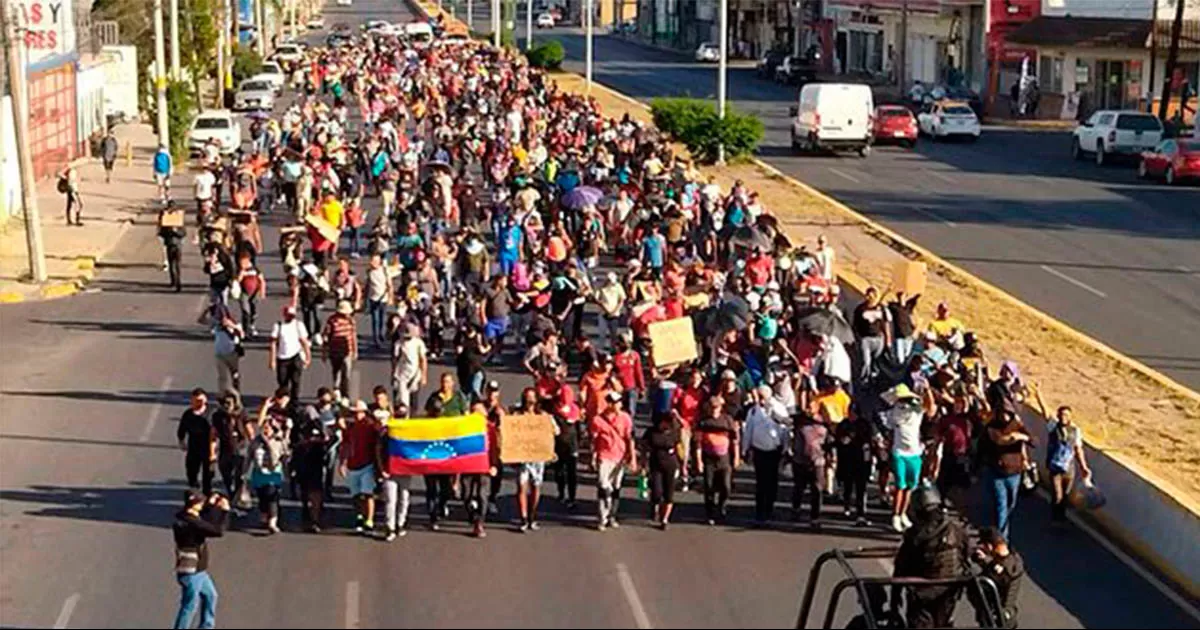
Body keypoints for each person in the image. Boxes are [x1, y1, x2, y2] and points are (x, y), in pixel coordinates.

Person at [892, 486, 969, 629]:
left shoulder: (916, 535)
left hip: (923, 592)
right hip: (950, 589)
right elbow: (965, 557)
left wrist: (895, 598)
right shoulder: (957, 529)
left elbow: (901, 566)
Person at [1034, 384, 1091, 525]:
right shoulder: (1053, 427)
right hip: (1054, 467)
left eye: (1066, 415)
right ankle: (1056, 517)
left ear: (1070, 417)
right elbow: (1045, 412)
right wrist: (1038, 394)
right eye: (1061, 414)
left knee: (1065, 495)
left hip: (1068, 469)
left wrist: (1084, 467)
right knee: (1057, 494)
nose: (1062, 417)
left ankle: (1061, 515)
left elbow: (1078, 449)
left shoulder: (1075, 431)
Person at [172, 491, 229, 629]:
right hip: (192, 571)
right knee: (189, 605)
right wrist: (224, 512)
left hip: (199, 571)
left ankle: (206, 626)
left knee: (211, 596)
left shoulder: (184, 518)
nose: (202, 504)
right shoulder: (192, 523)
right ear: (193, 505)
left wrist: (211, 505)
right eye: (200, 502)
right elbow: (217, 530)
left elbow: (203, 519)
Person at [982, 401, 1033, 540]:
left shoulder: (1018, 427)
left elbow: (1033, 441)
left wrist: (1021, 436)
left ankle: (999, 526)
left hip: (1014, 473)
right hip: (997, 472)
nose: (1004, 416)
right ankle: (1002, 539)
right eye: (1002, 413)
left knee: (1011, 503)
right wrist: (1012, 437)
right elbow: (998, 440)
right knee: (1001, 506)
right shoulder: (992, 426)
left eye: (1007, 413)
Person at [591, 391, 637, 531]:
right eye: (615, 402)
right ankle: (602, 517)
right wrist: (593, 456)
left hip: (620, 456)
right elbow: (594, 440)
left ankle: (612, 516)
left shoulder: (625, 418)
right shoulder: (597, 420)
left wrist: (632, 457)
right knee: (603, 485)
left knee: (616, 487)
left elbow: (629, 438)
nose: (618, 405)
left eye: (619, 402)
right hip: (604, 456)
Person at [883, 383, 925, 533]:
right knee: (900, 486)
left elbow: (929, 407)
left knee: (910, 487)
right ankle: (895, 515)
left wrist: (924, 392)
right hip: (899, 453)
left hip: (914, 453)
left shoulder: (916, 411)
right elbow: (889, 417)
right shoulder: (894, 413)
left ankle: (903, 513)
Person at [743, 385, 786, 525]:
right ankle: (760, 510)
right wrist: (746, 449)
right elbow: (748, 430)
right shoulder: (753, 411)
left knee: (772, 482)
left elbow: (785, 430)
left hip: (774, 451)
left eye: (762, 397)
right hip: (759, 451)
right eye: (759, 397)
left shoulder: (779, 408)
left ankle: (770, 508)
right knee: (761, 483)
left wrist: (786, 450)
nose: (760, 400)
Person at [696, 395, 739, 526]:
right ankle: (710, 513)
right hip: (709, 458)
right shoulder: (703, 422)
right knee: (709, 486)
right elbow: (698, 442)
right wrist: (698, 461)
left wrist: (736, 456)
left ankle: (722, 506)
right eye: (712, 407)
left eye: (717, 407)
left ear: (721, 408)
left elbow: (735, 440)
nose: (714, 410)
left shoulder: (727, 420)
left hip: (724, 458)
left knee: (726, 486)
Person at [970, 526, 1025, 628]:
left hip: (1001, 617)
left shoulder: (1011, 566)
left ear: (990, 546)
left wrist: (987, 561)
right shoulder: (1007, 559)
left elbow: (1002, 576)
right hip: (996, 614)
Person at [340, 400, 380, 535]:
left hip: (367, 465)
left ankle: (369, 520)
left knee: (368, 494)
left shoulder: (370, 426)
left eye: (359, 412)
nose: (357, 415)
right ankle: (359, 517)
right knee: (356, 495)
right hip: (352, 466)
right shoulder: (350, 428)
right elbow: (345, 445)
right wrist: (343, 463)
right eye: (354, 413)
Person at [642, 406, 681, 530]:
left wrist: (683, 466)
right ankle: (655, 505)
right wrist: (643, 463)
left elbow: (680, 448)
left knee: (669, 494)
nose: (665, 427)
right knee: (657, 491)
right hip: (656, 463)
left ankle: (664, 519)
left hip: (671, 464)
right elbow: (644, 447)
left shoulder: (676, 431)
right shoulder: (651, 432)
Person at [380, 401, 413, 542]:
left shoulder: (411, 431)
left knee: (404, 499)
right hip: (390, 470)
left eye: (403, 415)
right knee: (390, 500)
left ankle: (400, 523)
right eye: (399, 415)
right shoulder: (386, 431)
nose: (401, 417)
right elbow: (378, 449)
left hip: (405, 470)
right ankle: (390, 527)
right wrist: (381, 468)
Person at [247, 418, 286, 534]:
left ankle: (273, 522)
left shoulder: (279, 441)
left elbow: (284, 456)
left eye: (267, 428)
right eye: (263, 428)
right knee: (262, 496)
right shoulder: (256, 441)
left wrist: (288, 473)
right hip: (259, 473)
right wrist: (244, 473)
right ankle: (264, 515)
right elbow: (249, 456)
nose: (265, 430)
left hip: (274, 473)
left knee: (272, 496)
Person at [210, 391, 248, 507]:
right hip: (224, 449)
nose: (227, 405)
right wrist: (212, 453)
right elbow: (213, 434)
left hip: (240, 449)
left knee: (239, 475)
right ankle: (231, 492)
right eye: (224, 403)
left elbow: (249, 429)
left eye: (229, 402)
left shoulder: (241, 414)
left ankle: (238, 496)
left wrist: (253, 447)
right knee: (225, 473)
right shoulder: (217, 416)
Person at [792, 410, 827, 528]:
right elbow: (797, 447)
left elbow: (828, 445)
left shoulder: (823, 430)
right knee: (801, 488)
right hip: (804, 463)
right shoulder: (802, 430)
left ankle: (815, 516)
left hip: (816, 463)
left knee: (816, 490)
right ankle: (797, 509)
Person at [269, 305, 311, 403]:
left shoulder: (298, 325)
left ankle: (294, 401)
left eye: (292, 315)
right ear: (284, 315)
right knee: (282, 382)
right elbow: (273, 343)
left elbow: (304, 341)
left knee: (296, 381)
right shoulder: (278, 326)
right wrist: (272, 360)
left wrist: (308, 357)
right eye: (288, 315)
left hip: (296, 356)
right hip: (282, 358)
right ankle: (284, 400)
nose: (290, 317)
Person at [178, 388, 216, 495]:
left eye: (201, 400)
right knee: (191, 471)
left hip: (208, 448)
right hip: (193, 447)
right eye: (196, 400)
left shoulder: (212, 414)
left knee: (208, 474)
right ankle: (194, 491)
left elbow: (217, 430)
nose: (199, 403)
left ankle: (207, 494)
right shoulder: (188, 414)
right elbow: (182, 429)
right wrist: (182, 441)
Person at [852, 287, 891, 388]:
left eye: (872, 294)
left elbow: (885, 324)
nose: (870, 296)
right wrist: (857, 339)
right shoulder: (860, 309)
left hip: (879, 338)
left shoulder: (881, 308)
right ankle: (864, 381)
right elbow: (855, 325)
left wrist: (888, 339)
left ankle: (874, 378)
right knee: (866, 361)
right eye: (868, 294)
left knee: (876, 360)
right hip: (865, 339)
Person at [322, 300, 359, 397]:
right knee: (336, 371)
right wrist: (324, 352)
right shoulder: (331, 321)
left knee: (346, 373)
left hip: (347, 351)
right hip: (335, 351)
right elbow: (326, 337)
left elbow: (353, 335)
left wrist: (355, 350)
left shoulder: (351, 321)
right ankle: (336, 390)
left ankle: (345, 392)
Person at [392, 322, 428, 409]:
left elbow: (423, 359)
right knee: (401, 400)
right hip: (402, 375)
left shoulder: (418, 343)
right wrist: (393, 373)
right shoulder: (398, 343)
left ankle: (412, 416)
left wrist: (424, 376)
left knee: (413, 399)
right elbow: (395, 359)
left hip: (415, 375)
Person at [364, 254, 394, 348]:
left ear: (379, 262)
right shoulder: (369, 272)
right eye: (371, 260)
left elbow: (390, 285)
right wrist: (365, 300)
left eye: (374, 261)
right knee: (375, 319)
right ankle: (376, 339)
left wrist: (390, 297)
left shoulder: (384, 271)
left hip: (383, 298)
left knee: (382, 318)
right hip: (373, 299)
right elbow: (367, 285)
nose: (371, 263)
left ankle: (381, 334)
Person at [159, 206, 186, 292]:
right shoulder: (165, 222)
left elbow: (183, 233)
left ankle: (178, 282)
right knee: (171, 264)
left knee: (177, 265)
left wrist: (176, 231)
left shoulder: (179, 222)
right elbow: (161, 233)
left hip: (177, 246)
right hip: (170, 245)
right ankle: (173, 280)